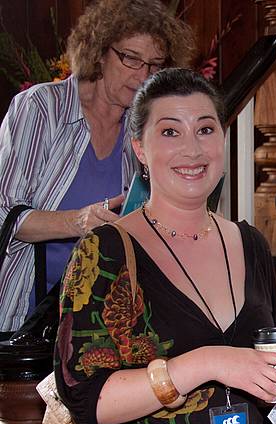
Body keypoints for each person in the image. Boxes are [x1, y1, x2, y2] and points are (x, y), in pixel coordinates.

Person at [54, 68, 276, 424]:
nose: (192, 149)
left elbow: (252, 366)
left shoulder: (251, 243)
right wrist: (209, 361)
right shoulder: (107, 250)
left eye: (206, 129)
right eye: (170, 131)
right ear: (140, 149)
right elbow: (86, 400)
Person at [0, 0, 196, 332]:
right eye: (131, 59)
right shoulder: (42, 109)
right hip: (23, 319)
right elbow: (3, 213)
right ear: (99, 52)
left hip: (97, 324)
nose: (143, 76)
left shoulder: (140, 132)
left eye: (155, 65)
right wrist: (78, 222)